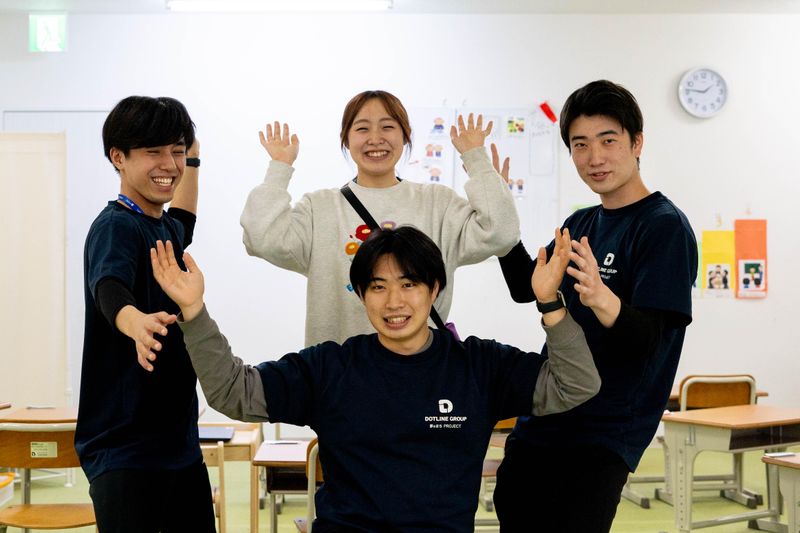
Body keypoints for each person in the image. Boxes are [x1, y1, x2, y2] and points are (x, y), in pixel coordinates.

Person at [150, 225, 600, 533]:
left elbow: (576, 385)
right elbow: (234, 391)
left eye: (409, 284)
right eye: (378, 287)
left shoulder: (479, 366)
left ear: (434, 290)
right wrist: (194, 312)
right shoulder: (332, 368)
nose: (394, 302)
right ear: (361, 295)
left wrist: (550, 304)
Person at [493, 80, 698, 533]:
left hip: (603, 434)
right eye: (580, 144)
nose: (594, 157)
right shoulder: (582, 221)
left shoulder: (663, 227)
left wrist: (604, 300)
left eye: (608, 141)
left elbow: (650, 342)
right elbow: (527, 288)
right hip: (545, 417)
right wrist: (500, 216)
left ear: (636, 143)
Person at [240, 89, 520, 346]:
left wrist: (476, 159)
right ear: (346, 139)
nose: (375, 138)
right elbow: (262, 239)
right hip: (337, 373)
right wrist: (279, 168)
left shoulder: (438, 203)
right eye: (362, 128)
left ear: (405, 135)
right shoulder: (320, 207)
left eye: (388, 127)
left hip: (420, 371)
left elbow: (501, 233)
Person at [74, 96, 215, 532]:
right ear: (119, 157)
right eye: (154, 151)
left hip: (178, 444)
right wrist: (135, 321)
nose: (168, 164)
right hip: (126, 450)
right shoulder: (116, 225)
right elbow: (108, 286)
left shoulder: (163, 225)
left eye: (176, 151)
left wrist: (193, 157)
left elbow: (185, 218)